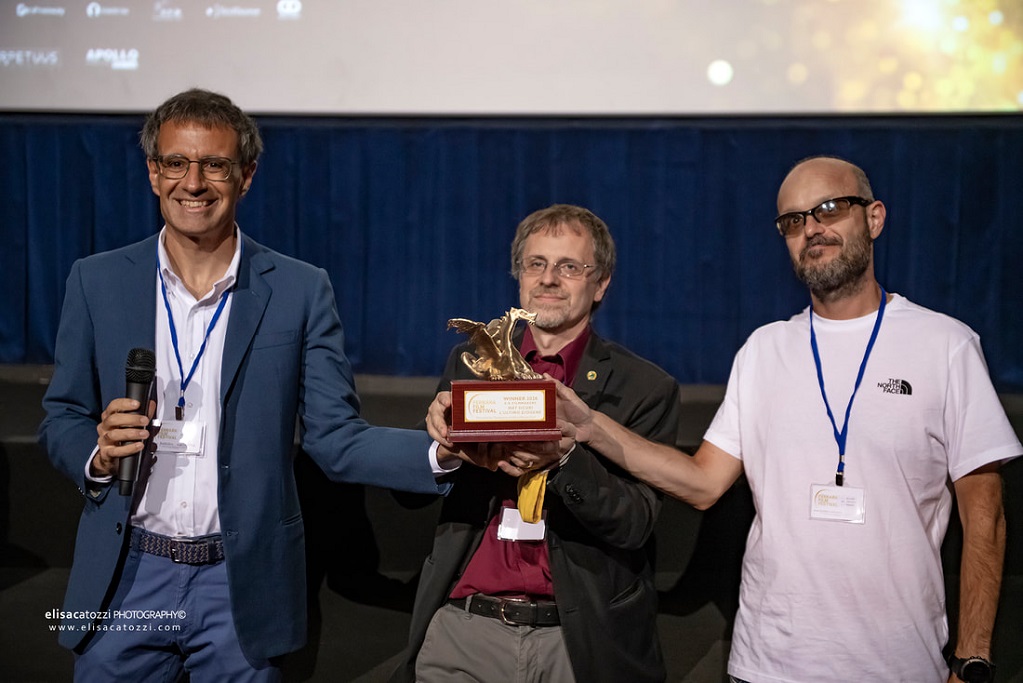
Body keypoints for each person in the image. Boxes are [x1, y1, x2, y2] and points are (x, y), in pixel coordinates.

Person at [36, 88, 478, 681]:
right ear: (152, 172)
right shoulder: (95, 281)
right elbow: (62, 414)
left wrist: (439, 453)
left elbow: (336, 437)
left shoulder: (299, 289)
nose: (192, 183)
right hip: (127, 575)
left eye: (214, 165)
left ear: (246, 176)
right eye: (175, 163)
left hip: (239, 583)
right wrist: (94, 452)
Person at [551, 156, 1021, 683]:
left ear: (874, 218)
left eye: (829, 209)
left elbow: (986, 514)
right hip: (767, 665)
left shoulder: (946, 345)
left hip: (899, 665)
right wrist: (590, 424)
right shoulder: (764, 349)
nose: (812, 229)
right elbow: (704, 483)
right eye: (793, 221)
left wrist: (972, 656)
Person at [393, 205, 684, 682]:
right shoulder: (470, 362)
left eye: (569, 266)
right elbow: (408, 494)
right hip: (465, 629)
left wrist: (566, 458)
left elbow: (635, 523)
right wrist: (443, 454)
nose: (549, 279)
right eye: (536, 264)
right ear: (520, 276)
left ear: (601, 283)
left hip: (576, 640)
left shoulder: (642, 387)